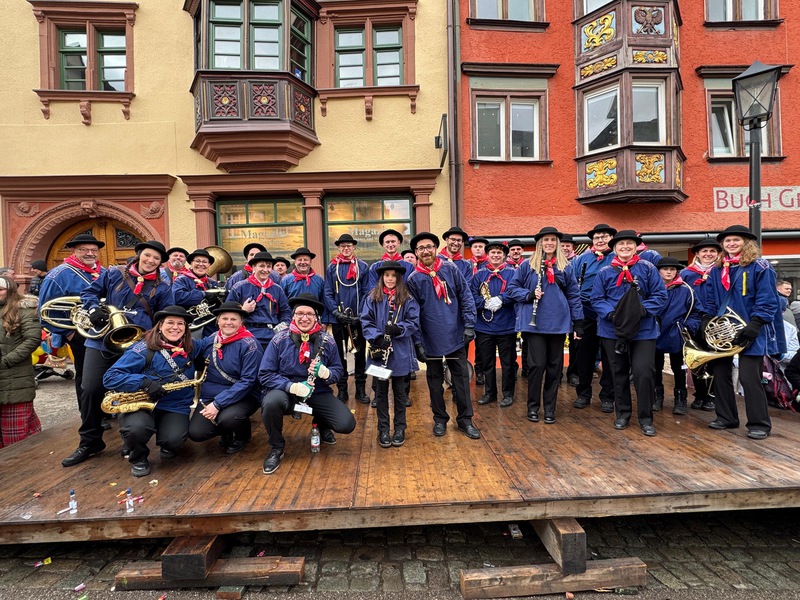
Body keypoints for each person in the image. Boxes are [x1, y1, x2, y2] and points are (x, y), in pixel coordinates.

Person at [62, 240, 175, 468]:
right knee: (90, 389)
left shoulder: (163, 287)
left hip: (136, 344)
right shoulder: (114, 273)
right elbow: (89, 293)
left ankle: (129, 440)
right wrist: (93, 308)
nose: (151, 261)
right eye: (148, 255)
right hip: (102, 341)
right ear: (139, 255)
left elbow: (163, 317)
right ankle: (90, 442)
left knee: (130, 390)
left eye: (156, 258)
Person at [700, 225, 785, 440]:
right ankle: (726, 417)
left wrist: (755, 324)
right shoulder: (717, 269)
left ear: (746, 242)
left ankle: (759, 424)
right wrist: (707, 318)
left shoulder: (761, 266)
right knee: (720, 375)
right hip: (724, 331)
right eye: (727, 241)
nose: (731, 244)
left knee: (749, 379)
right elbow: (710, 299)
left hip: (750, 329)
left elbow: (767, 299)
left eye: (736, 240)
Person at [103, 306, 207, 477]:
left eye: (180, 324)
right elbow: (110, 377)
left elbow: (215, 340)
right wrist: (143, 382)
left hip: (174, 405)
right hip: (141, 402)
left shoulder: (192, 346)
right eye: (170, 323)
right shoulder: (141, 349)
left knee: (173, 441)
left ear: (186, 328)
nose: (175, 327)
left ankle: (166, 441)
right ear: (160, 326)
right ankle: (138, 457)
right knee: (136, 429)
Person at [259, 293, 356, 474]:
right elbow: (265, 374)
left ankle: (321, 424)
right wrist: (291, 386)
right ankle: (276, 447)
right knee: (271, 402)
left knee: (346, 424)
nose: (304, 318)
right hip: (287, 392)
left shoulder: (327, 341)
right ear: (293, 316)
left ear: (316, 317)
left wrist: (326, 373)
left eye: (309, 314)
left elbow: (338, 370)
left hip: (317, 391)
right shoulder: (279, 340)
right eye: (300, 313)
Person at [591, 230, 667, 437]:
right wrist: (612, 314)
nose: (625, 247)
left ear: (636, 247)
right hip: (613, 330)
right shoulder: (604, 272)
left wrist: (641, 311)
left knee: (644, 373)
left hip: (643, 330)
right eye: (621, 244)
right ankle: (622, 413)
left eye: (629, 244)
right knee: (618, 373)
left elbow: (660, 295)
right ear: (615, 248)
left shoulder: (648, 268)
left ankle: (645, 417)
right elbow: (597, 298)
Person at [407, 232, 480, 440]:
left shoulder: (450, 269)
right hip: (430, 338)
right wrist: (418, 342)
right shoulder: (413, 279)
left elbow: (465, 296)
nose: (425, 251)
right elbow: (413, 313)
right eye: (421, 248)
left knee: (461, 379)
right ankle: (440, 419)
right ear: (416, 252)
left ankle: (465, 420)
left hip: (456, 335)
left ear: (435, 248)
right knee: (434, 381)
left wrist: (469, 324)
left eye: (429, 247)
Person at [508, 227, 583, 423]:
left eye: (552, 240)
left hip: (558, 323)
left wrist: (578, 322)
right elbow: (512, 288)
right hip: (534, 324)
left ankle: (550, 408)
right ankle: (533, 407)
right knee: (536, 365)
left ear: (557, 243)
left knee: (554, 367)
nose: (549, 243)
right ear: (539, 243)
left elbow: (574, 295)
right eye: (545, 239)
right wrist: (529, 294)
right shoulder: (527, 265)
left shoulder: (566, 267)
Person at [38, 234, 106, 409]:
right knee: (87, 377)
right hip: (79, 334)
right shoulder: (58, 275)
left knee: (107, 373)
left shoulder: (104, 272)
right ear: (74, 250)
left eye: (94, 250)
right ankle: (90, 415)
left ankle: (106, 410)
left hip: (105, 331)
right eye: (84, 249)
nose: (90, 253)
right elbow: (45, 311)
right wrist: (70, 334)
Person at [188, 301, 263, 454]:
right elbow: (193, 348)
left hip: (244, 395)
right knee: (197, 433)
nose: (228, 322)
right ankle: (225, 430)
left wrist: (218, 404)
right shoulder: (212, 339)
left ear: (241, 322)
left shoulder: (250, 345)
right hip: (211, 394)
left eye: (233, 319)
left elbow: (248, 381)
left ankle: (242, 435)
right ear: (218, 321)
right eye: (224, 318)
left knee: (229, 418)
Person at [361, 261, 420, 447]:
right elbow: (366, 320)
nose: (390, 279)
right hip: (380, 352)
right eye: (387, 275)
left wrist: (399, 328)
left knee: (400, 393)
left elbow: (413, 321)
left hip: (400, 351)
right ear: (381, 277)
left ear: (399, 278)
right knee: (381, 393)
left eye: (394, 276)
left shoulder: (407, 298)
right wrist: (377, 337)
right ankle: (383, 429)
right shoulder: (373, 297)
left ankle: (400, 428)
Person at [571, 224, 617, 412]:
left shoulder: (617, 258)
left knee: (610, 356)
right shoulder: (582, 259)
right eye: (597, 237)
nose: (600, 240)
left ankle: (608, 396)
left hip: (610, 314)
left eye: (604, 236)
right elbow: (573, 286)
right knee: (584, 355)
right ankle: (583, 393)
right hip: (587, 312)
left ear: (611, 238)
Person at [323, 233, 369, 403]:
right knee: (340, 354)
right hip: (338, 319)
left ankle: (360, 389)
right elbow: (328, 292)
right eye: (343, 246)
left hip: (357, 319)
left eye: (349, 245)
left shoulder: (362, 267)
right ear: (338, 248)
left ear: (354, 247)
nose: (346, 248)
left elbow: (367, 291)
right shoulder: (332, 268)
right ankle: (342, 389)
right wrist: (335, 312)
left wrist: (361, 314)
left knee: (360, 353)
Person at [471, 241, 518, 408]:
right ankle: (490, 393)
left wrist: (502, 299)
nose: (496, 255)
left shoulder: (513, 273)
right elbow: (471, 296)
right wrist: (483, 303)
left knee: (508, 363)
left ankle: (508, 394)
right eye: (493, 253)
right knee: (487, 363)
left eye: (499, 253)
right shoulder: (479, 275)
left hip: (507, 326)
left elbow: (516, 292)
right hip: (484, 326)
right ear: (488, 255)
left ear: (504, 255)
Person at [654, 257, 702, 415]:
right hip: (655, 333)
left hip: (677, 334)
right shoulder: (652, 288)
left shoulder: (686, 290)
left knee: (679, 368)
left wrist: (686, 327)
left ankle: (680, 399)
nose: (669, 272)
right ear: (658, 271)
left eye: (672, 269)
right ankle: (656, 396)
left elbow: (696, 312)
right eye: (665, 269)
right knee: (655, 367)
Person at [0, 276, 42, 447]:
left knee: (16, 438)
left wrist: (6, 361)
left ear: (10, 290)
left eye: (0, 289)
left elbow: (32, 339)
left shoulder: (24, 310)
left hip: (15, 378)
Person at [680, 236, 721, 411]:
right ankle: (700, 393)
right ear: (697, 254)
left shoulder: (722, 271)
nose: (708, 254)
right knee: (696, 359)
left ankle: (711, 395)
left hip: (716, 321)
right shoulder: (686, 274)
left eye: (712, 251)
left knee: (714, 358)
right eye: (704, 251)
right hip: (694, 321)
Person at [227, 252, 291, 351]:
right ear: (253, 267)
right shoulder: (239, 287)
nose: (265, 270)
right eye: (261, 266)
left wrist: (281, 328)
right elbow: (227, 313)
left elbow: (286, 312)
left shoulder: (277, 289)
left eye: (268, 266)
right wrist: (243, 310)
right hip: (246, 336)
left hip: (272, 337)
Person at [173, 248, 224, 337]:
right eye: (197, 261)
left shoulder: (212, 283)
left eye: (204, 262)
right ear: (191, 263)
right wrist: (203, 294)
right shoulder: (181, 280)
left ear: (209, 265)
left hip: (211, 327)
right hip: (190, 326)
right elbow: (177, 297)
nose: (201, 264)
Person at [560, 234, 580, 386]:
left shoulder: (578, 261)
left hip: (573, 305)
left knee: (575, 343)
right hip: (558, 308)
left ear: (572, 247)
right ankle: (556, 373)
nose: (565, 248)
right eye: (562, 245)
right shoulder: (552, 263)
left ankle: (573, 373)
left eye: (568, 245)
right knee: (556, 344)